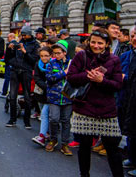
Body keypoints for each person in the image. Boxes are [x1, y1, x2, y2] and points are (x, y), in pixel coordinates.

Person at [67, 28, 123, 177]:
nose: (96, 46)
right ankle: (84, 174)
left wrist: (102, 80)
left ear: (107, 44)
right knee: (84, 147)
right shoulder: (81, 56)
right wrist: (87, 75)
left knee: (112, 149)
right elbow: (71, 77)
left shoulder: (114, 60)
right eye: (93, 42)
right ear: (88, 42)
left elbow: (117, 85)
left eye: (100, 43)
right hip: (84, 107)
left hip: (107, 110)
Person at [5, 25, 40, 128]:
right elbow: (7, 59)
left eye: (25, 35)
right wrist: (9, 49)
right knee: (12, 96)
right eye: (22, 35)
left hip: (26, 71)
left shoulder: (35, 45)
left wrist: (25, 53)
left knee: (27, 96)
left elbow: (34, 61)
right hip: (15, 70)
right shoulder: (18, 43)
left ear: (29, 35)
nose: (23, 37)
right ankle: (12, 119)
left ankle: (27, 121)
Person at [44, 40, 73, 156]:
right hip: (54, 96)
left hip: (67, 97)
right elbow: (49, 78)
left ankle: (65, 144)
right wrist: (63, 73)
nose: (56, 55)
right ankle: (53, 139)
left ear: (64, 52)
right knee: (54, 119)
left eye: (58, 53)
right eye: (54, 53)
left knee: (66, 121)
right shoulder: (51, 63)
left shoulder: (72, 63)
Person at [119, 26, 136, 176]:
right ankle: (132, 157)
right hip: (127, 96)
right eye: (133, 35)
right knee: (130, 129)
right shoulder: (126, 55)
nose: (134, 38)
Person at [32, 46, 53, 147]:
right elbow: (36, 77)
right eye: (42, 56)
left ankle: (42, 136)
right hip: (41, 93)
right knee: (44, 113)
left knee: (45, 114)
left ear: (51, 55)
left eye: (46, 56)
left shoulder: (54, 64)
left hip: (52, 93)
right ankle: (47, 133)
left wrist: (50, 87)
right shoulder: (38, 64)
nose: (44, 58)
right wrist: (44, 86)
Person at [0, 33, 16, 98]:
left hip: (9, 64)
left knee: (7, 78)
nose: (7, 39)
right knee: (10, 79)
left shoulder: (11, 44)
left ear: (11, 37)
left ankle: (4, 92)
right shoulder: (16, 44)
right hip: (11, 64)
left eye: (8, 37)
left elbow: (9, 55)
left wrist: (5, 60)